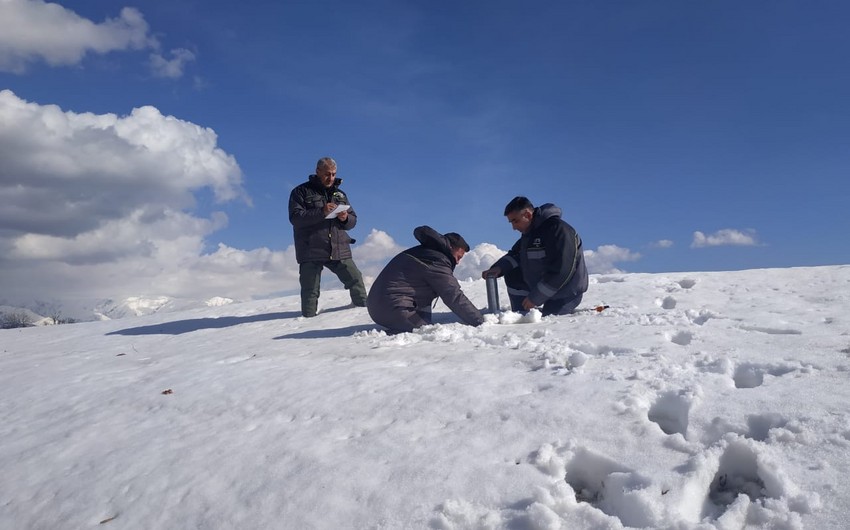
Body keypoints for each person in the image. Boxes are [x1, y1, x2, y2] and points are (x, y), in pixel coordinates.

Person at [482, 196, 588, 316]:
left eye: (515, 221)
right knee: (513, 272)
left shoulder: (559, 230)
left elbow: (562, 270)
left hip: (565, 292)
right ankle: (520, 312)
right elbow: (516, 255)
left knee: (550, 320)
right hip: (541, 287)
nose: (513, 227)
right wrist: (499, 268)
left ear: (527, 215)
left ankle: (543, 310)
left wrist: (536, 297)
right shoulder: (529, 234)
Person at [367, 225, 485, 333]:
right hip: (393, 308)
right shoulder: (437, 260)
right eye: (458, 257)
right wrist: (480, 322)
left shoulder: (424, 252)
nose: (458, 262)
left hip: (381, 305)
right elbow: (453, 295)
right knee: (426, 331)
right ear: (450, 247)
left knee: (426, 319)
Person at [288, 157, 367, 317]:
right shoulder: (300, 192)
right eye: (327, 174)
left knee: (356, 280)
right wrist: (322, 212)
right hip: (311, 249)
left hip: (339, 248)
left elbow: (353, 221)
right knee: (310, 291)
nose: (330, 178)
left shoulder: (340, 194)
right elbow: (296, 218)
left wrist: (345, 218)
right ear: (317, 172)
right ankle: (306, 326)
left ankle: (364, 315)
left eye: (333, 174)